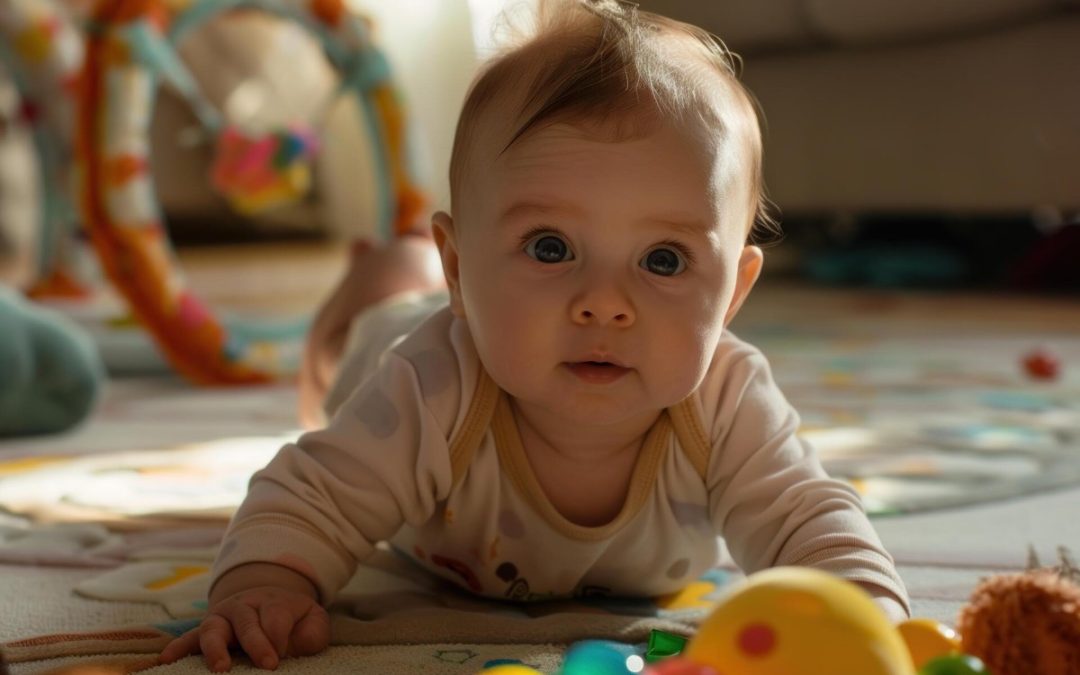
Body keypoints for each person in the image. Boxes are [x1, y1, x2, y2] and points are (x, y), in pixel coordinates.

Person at [161, 0, 910, 670]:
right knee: (344, 347)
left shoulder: (726, 400)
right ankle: (392, 270)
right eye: (550, 247)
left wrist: (872, 617)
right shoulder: (431, 384)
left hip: (462, 303)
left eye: (664, 259)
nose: (604, 304)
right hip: (390, 345)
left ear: (734, 293)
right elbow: (312, 496)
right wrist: (266, 581)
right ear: (464, 267)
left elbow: (809, 519)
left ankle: (421, 266)